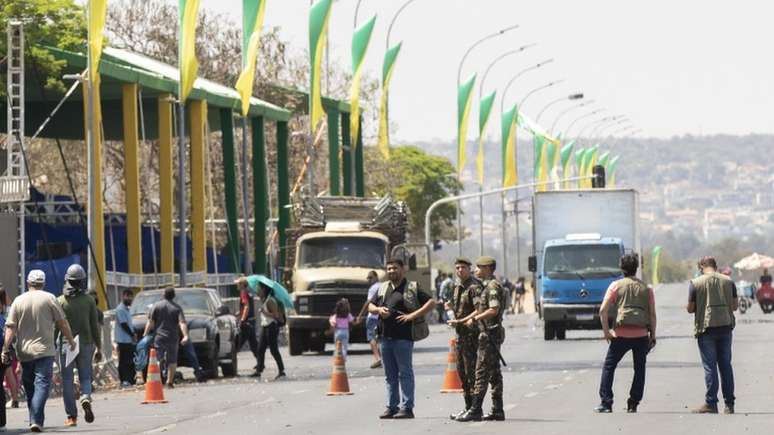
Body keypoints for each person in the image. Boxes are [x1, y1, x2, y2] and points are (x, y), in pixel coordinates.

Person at [2, 270, 76, 433]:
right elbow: (62, 323)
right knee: (42, 384)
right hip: (45, 351)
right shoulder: (50, 298)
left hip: (24, 352)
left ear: (28, 283)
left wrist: (5, 348)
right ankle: (36, 419)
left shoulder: (18, 301)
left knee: (30, 387)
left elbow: (10, 327)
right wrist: (71, 341)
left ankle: (34, 420)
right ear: (43, 283)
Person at [368, 258, 436, 420]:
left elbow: (431, 303)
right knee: (389, 375)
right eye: (389, 269)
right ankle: (392, 407)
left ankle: (407, 408)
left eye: (395, 268)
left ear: (403, 269)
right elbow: (370, 306)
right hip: (385, 337)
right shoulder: (383, 287)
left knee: (405, 373)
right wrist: (378, 309)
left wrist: (411, 316)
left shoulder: (412, 287)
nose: (392, 271)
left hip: (403, 338)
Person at [594, 254, 657, 413]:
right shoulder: (646, 288)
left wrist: (607, 332)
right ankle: (633, 403)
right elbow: (652, 315)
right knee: (640, 369)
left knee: (609, 367)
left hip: (620, 335)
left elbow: (603, 310)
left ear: (621, 268)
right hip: (641, 335)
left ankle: (606, 403)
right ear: (637, 268)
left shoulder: (616, 286)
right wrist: (653, 336)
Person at [455, 256, 506, 422]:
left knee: (481, 371)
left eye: (479, 267)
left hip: (489, 333)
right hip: (490, 333)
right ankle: (497, 410)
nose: (476, 270)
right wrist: (463, 320)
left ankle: (475, 409)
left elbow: (493, 309)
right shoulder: (487, 286)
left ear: (488, 268)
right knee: (494, 373)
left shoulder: (492, 286)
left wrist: (476, 319)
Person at [687, 256, 738, 414]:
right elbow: (735, 306)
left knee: (710, 367)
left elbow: (690, 308)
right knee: (726, 366)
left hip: (706, 329)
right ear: (715, 266)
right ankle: (729, 404)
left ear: (702, 266)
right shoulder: (728, 281)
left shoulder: (696, 283)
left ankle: (711, 403)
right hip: (725, 327)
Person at [57, 264, 102, 427]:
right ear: (82, 281)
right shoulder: (89, 300)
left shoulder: (60, 301)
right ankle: (85, 397)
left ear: (67, 280)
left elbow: (56, 327)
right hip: (85, 343)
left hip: (66, 345)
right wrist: (99, 346)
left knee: (67, 380)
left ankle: (72, 417)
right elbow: (94, 326)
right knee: (85, 377)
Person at [445, 258, 483, 420]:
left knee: (471, 373)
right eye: (458, 268)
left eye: (463, 268)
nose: (460, 270)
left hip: (471, 334)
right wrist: (450, 308)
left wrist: (460, 321)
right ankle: (468, 407)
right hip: (460, 334)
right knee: (462, 372)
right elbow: (456, 306)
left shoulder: (473, 287)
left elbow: (479, 309)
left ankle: (475, 409)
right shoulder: (457, 287)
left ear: (469, 269)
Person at [143, 287, 189, 388]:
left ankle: (159, 377)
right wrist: (185, 336)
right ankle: (169, 382)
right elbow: (182, 323)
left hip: (159, 337)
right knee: (172, 360)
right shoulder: (177, 308)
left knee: (158, 358)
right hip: (172, 338)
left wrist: (145, 334)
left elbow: (150, 322)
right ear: (174, 296)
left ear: (163, 295)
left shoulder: (156, 306)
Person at [256, 283, 286, 380]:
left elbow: (276, 315)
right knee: (260, 349)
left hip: (271, 327)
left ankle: (281, 370)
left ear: (264, 289)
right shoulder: (264, 300)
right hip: (265, 326)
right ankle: (259, 370)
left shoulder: (270, 301)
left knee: (274, 350)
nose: (257, 291)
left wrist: (264, 312)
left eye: (259, 288)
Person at [356, 271, 382, 369]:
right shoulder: (384, 286)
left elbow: (368, 303)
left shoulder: (373, 288)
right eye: (368, 278)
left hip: (372, 317)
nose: (369, 280)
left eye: (370, 277)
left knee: (372, 338)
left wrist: (360, 315)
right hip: (381, 316)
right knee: (381, 338)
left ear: (376, 277)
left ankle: (377, 358)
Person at [235, 277, 261, 376]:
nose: (237, 285)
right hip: (251, 322)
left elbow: (246, 306)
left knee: (237, 345)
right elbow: (246, 307)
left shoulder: (243, 293)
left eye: (238, 284)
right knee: (254, 345)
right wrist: (240, 313)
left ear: (242, 285)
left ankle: (232, 367)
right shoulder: (249, 293)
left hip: (246, 324)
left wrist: (242, 319)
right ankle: (260, 365)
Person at [0, 285, 19, 409]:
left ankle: (14, 398)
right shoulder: (9, 308)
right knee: (9, 372)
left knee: (8, 371)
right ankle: (15, 399)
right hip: (7, 342)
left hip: (3, 341)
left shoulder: (3, 311)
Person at [114, 289, 137, 387]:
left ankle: (131, 380)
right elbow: (124, 324)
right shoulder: (120, 309)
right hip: (123, 340)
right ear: (124, 296)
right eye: (129, 297)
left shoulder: (126, 309)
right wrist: (132, 334)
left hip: (128, 340)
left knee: (130, 360)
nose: (131, 299)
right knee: (124, 361)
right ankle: (124, 380)